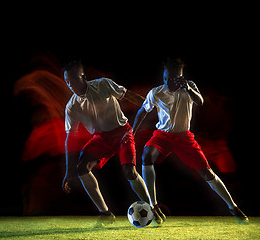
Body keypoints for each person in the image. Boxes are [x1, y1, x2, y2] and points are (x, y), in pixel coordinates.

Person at [132, 58, 249, 224]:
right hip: (162, 135)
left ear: (180, 76)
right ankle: (153, 206)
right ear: (163, 76)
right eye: (165, 79)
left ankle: (233, 207)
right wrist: (133, 132)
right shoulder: (156, 92)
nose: (168, 83)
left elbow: (200, 101)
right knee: (146, 156)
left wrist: (187, 88)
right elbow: (142, 112)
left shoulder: (189, 87)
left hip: (184, 137)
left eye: (172, 79)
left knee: (207, 173)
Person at [61, 61, 161, 226]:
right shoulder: (72, 106)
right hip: (100, 138)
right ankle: (105, 213)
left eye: (73, 79)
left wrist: (149, 106)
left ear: (83, 77)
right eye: (67, 81)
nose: (71, 84)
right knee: (80, 169)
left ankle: (152, 207)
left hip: (122, 133)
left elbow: (128, 95)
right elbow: (70, 139)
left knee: (129, 172)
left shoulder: (103, 84)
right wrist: (68, 171)